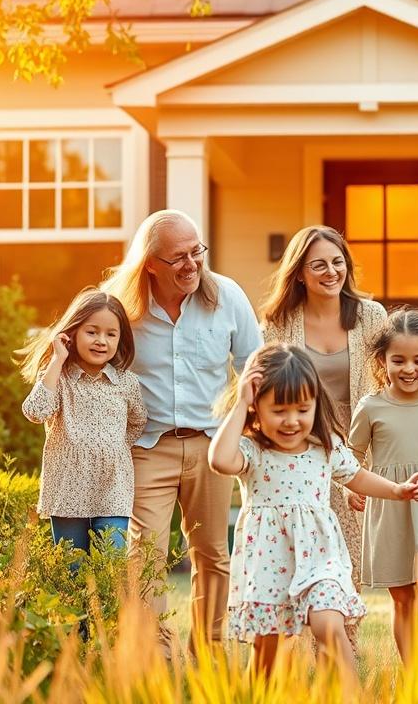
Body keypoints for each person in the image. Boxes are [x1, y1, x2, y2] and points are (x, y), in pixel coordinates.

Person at [208, 343, 418, 687]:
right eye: (278, 410)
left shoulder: (325, 447)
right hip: (268, 563)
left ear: (315, 405)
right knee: (268, 649)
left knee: (329, 624)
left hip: (319, 558)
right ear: (256, 409)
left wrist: (395, 490)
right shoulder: (252, 451)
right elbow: (219, 460)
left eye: (302, 409)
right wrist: (239, 405)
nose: (292, 420)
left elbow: (356, 476)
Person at [100, 210, 262, 657]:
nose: (191, 264)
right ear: (150, 263)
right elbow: (90, 361)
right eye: (178, 258)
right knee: (144, 558)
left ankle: (207, 652)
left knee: (212, 554)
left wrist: (249, 434)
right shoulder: (118, 305)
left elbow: (256, 364)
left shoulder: (226, 296)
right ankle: (159, 655)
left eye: (197, 252)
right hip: (146, 446)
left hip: (211, 445)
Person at [260, 226, 388, 629]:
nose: (331, 272)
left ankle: (344, 648)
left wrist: (362, 462)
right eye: (319, 265)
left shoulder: (371, 315)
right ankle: (299, 657)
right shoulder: (279, 323)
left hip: (359, 445)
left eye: (337, 262)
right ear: (299, 273)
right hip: (302, 451)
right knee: (299, 557)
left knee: (347, 556)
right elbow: (268, 389)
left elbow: (386, 385)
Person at [348, 308, 418, 665]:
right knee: (403, 597)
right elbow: (351, 453)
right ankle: (413, 675)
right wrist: (351, 487)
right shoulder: (371, 406)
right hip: (389, 509)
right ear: (383, 359)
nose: (408, 369)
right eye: (398, 360)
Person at [19, 289, 146, 561]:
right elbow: (35, 411)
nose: (101, 341)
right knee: (72, 569)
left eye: (111, 334)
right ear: (73, 333)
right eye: (92, 332)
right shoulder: (58, 379)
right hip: (67, 490)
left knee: (110, 566)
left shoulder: (126, 383)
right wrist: (57, 360)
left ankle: (110, 606)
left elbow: (137, 422)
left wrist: (114, 448)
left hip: (113, 488)